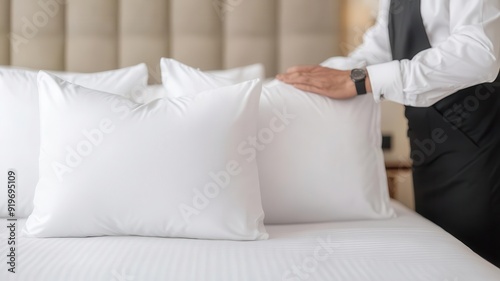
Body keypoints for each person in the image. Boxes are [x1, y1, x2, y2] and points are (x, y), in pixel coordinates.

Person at [277, 0, 500, 266]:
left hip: (479, 142)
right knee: (442, 256)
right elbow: (379, 49)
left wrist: (362, 80)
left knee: (479, 255)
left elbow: (480, 53)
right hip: (426, 145)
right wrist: (316, 79)